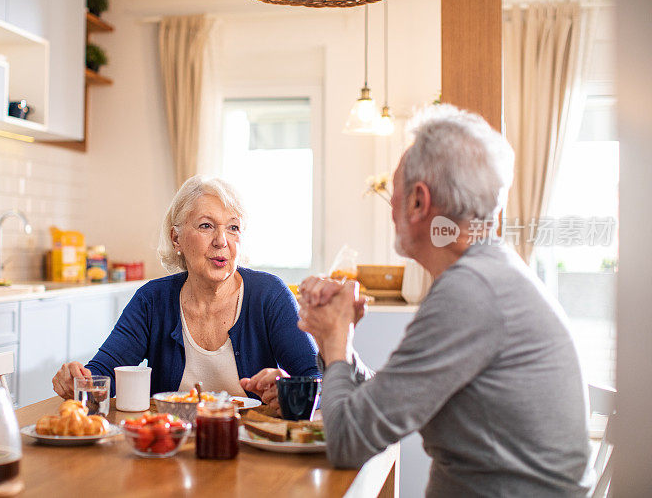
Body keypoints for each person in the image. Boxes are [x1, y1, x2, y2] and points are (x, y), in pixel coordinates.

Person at [298, 105, 593, 497]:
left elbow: (348, 442)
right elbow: (390, 403)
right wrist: (341, 346)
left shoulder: (471, 292)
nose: (390, 209)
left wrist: (335, 339)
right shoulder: (486, 275)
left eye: (394, 192)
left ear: (419, 202)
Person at [52, 175, 318, 404]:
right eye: (206, 226)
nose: (221, 241)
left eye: (233, 228)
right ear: (175, 238)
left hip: (250, 446)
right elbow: (103, 374)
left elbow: (317, 379)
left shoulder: (269, 295)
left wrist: (291, 389)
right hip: (170, 448)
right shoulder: (152, 300)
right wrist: (77, 380)